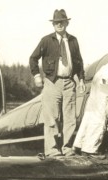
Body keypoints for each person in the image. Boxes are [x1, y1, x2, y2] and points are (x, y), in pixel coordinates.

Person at [29, 9, 86, 157]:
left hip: (69, 83)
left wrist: (80, 80)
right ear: (53, 25)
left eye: (61, 22)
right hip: (52, 83)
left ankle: (67, 149)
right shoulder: (46, 40)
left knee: (70, 119)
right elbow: (33, 58)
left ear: (67, 23)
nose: (59, 25)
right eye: (56, 23)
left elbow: (79, 62)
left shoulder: (73, 41)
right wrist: (36, 75)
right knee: (52, 118)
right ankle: (52, 150)